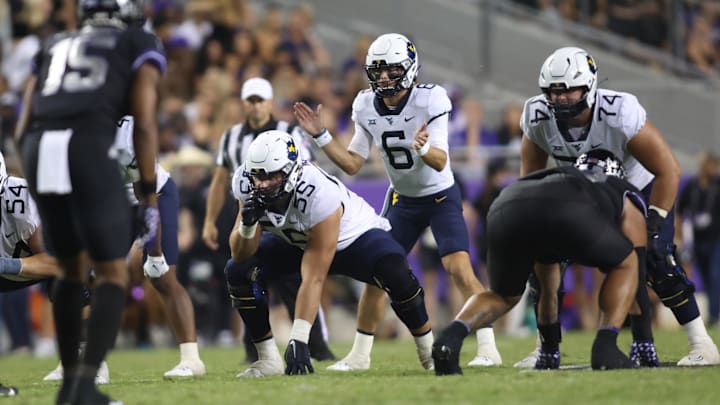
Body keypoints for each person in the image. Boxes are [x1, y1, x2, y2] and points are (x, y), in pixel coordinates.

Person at [293, 32, 501, 371]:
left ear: (409, 68)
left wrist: (420, 147)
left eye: (391, 70)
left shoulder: (430, 100)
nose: (384, 77)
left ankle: (488, 346)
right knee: (378, 274)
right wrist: (321, 136)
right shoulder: (364, 105)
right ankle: (360, 355)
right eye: (378, 70)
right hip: (402, 199)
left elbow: (440, 161)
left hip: (439, 196)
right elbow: (352, 164)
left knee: (458, 268)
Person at [518, 46, 719, 367]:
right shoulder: (536, 116)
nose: (561, 98)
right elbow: (529, 179)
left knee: (656, 257)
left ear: (589, 86)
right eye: (553, 92)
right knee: (544, 264)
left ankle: (702, 343)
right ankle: (546, 349)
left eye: (568, 89)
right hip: (579, 196)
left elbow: (668, 170)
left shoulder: (619, 111)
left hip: (637, 191)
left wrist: (655, 222)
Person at [14, 0, 165, 403]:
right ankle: (84, 385)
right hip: (86, 145)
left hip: (38, 147)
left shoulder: (55, 43)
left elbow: (22, 122)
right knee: (113, 274)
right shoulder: (137, 40)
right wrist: (149, 194)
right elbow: (145, 123)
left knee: (69, 271)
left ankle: (69, 388)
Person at [226, 130, 434, 377]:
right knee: (239, 270)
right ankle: (268, 359)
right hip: (298, 242)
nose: (263, 184)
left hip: (353, 240)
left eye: (272, 175)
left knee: (395, 270)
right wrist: (247, 225)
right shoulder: (245, 182)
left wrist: (299, 340)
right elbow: (240, 253)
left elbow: (314, 275)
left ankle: (429, 352)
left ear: (292, 169)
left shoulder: (317, 190)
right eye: (258, 176)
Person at [433, 150, 643, 375]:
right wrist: (644, 337)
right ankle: (606, 346)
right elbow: (638, 250)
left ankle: (449, 338)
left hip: (507, 203)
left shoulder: (558, 175)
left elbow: (548, 290)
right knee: (628, 263)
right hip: (567, 207)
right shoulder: (618, 188)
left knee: (503, 296)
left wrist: (550, 351)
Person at [42, 115, 207, 382]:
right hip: (107, 203)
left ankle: (191, 359)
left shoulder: (128, 135)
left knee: (161, 275)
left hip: (152, 195)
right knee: (84, 275)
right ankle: (83, 360)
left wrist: (154, 252)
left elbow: (148, 195)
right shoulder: (65, 134)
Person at [202, 77, 334, 362]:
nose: (255, 106)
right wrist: (209, 220)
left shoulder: (290, 132)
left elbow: (309, 170)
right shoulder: (231, 136)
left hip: (288, 220)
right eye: (250, 100)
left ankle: (316, 347)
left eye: (260, 100)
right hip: (252, 219)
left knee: (295, 281)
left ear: (270, 102)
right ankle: (255, 351)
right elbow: (219, 179)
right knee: (247, 277)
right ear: (243, 103)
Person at [677, 152, 720, 326]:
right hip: (697, 240)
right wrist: (679, 237)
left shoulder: (718, 185)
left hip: (717, 238)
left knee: (715, 275)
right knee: (704, 276)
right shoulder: (692, 186)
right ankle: (709, 314)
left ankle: (713, 315)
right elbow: (680, 211)